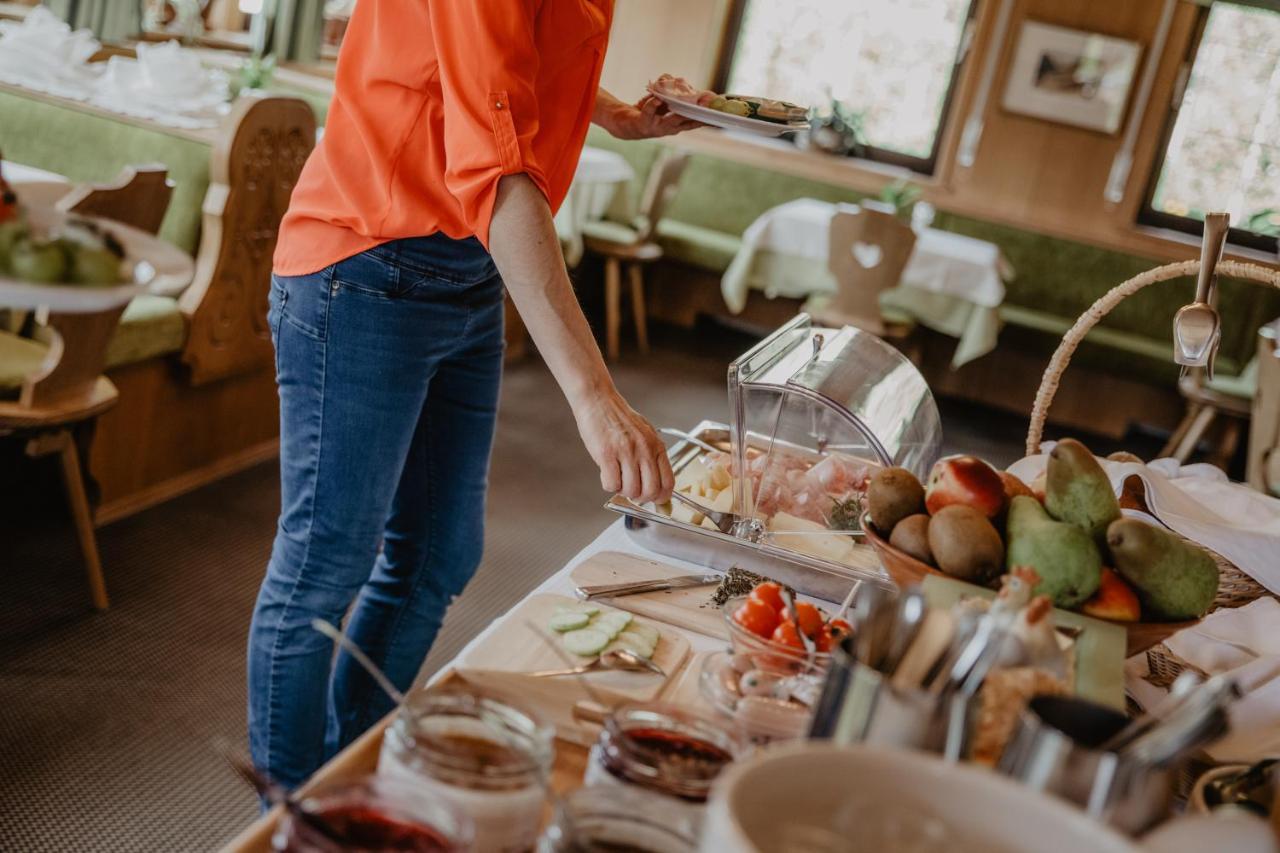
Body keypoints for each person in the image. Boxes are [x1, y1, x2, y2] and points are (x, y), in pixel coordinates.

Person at [246, 0, 700, 790]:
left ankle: (343, 779)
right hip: (365, 266)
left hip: (464, 271)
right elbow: (500, 173)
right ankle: (291, 818)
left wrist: (617, 114)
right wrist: (594, 396)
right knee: (325, 566)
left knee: (438, 555)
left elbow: (504, 68)